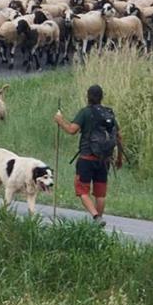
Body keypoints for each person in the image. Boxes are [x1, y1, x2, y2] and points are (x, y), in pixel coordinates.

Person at [55, 85, 123, 223]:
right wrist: (119, 159)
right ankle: (99, 221)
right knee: (100, 193)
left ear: (88, 97)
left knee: (82, 190)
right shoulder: (109, 114)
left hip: (87, 158)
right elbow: (119, 137)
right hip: (105, 160)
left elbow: (72, 130)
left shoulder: (86, 112)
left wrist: (59, 120)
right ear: (102, 97)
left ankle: (96, 217)